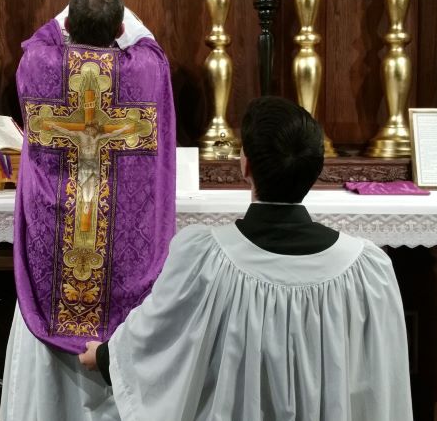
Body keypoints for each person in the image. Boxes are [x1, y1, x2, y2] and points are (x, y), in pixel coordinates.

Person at [79, 96, 413, 421]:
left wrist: (107, 357)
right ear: (315, 171)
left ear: (246, 166)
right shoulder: (367, 270)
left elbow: (158, 330)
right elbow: (383, 382)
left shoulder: (203, 260)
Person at [0, 0, 176, 420]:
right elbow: (149, 44)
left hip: (61, 238)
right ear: (119, 28)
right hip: (116, 248)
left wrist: (75, 0)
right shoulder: (146, 74)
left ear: (70, 27)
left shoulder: (38, 67)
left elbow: (42, 38)